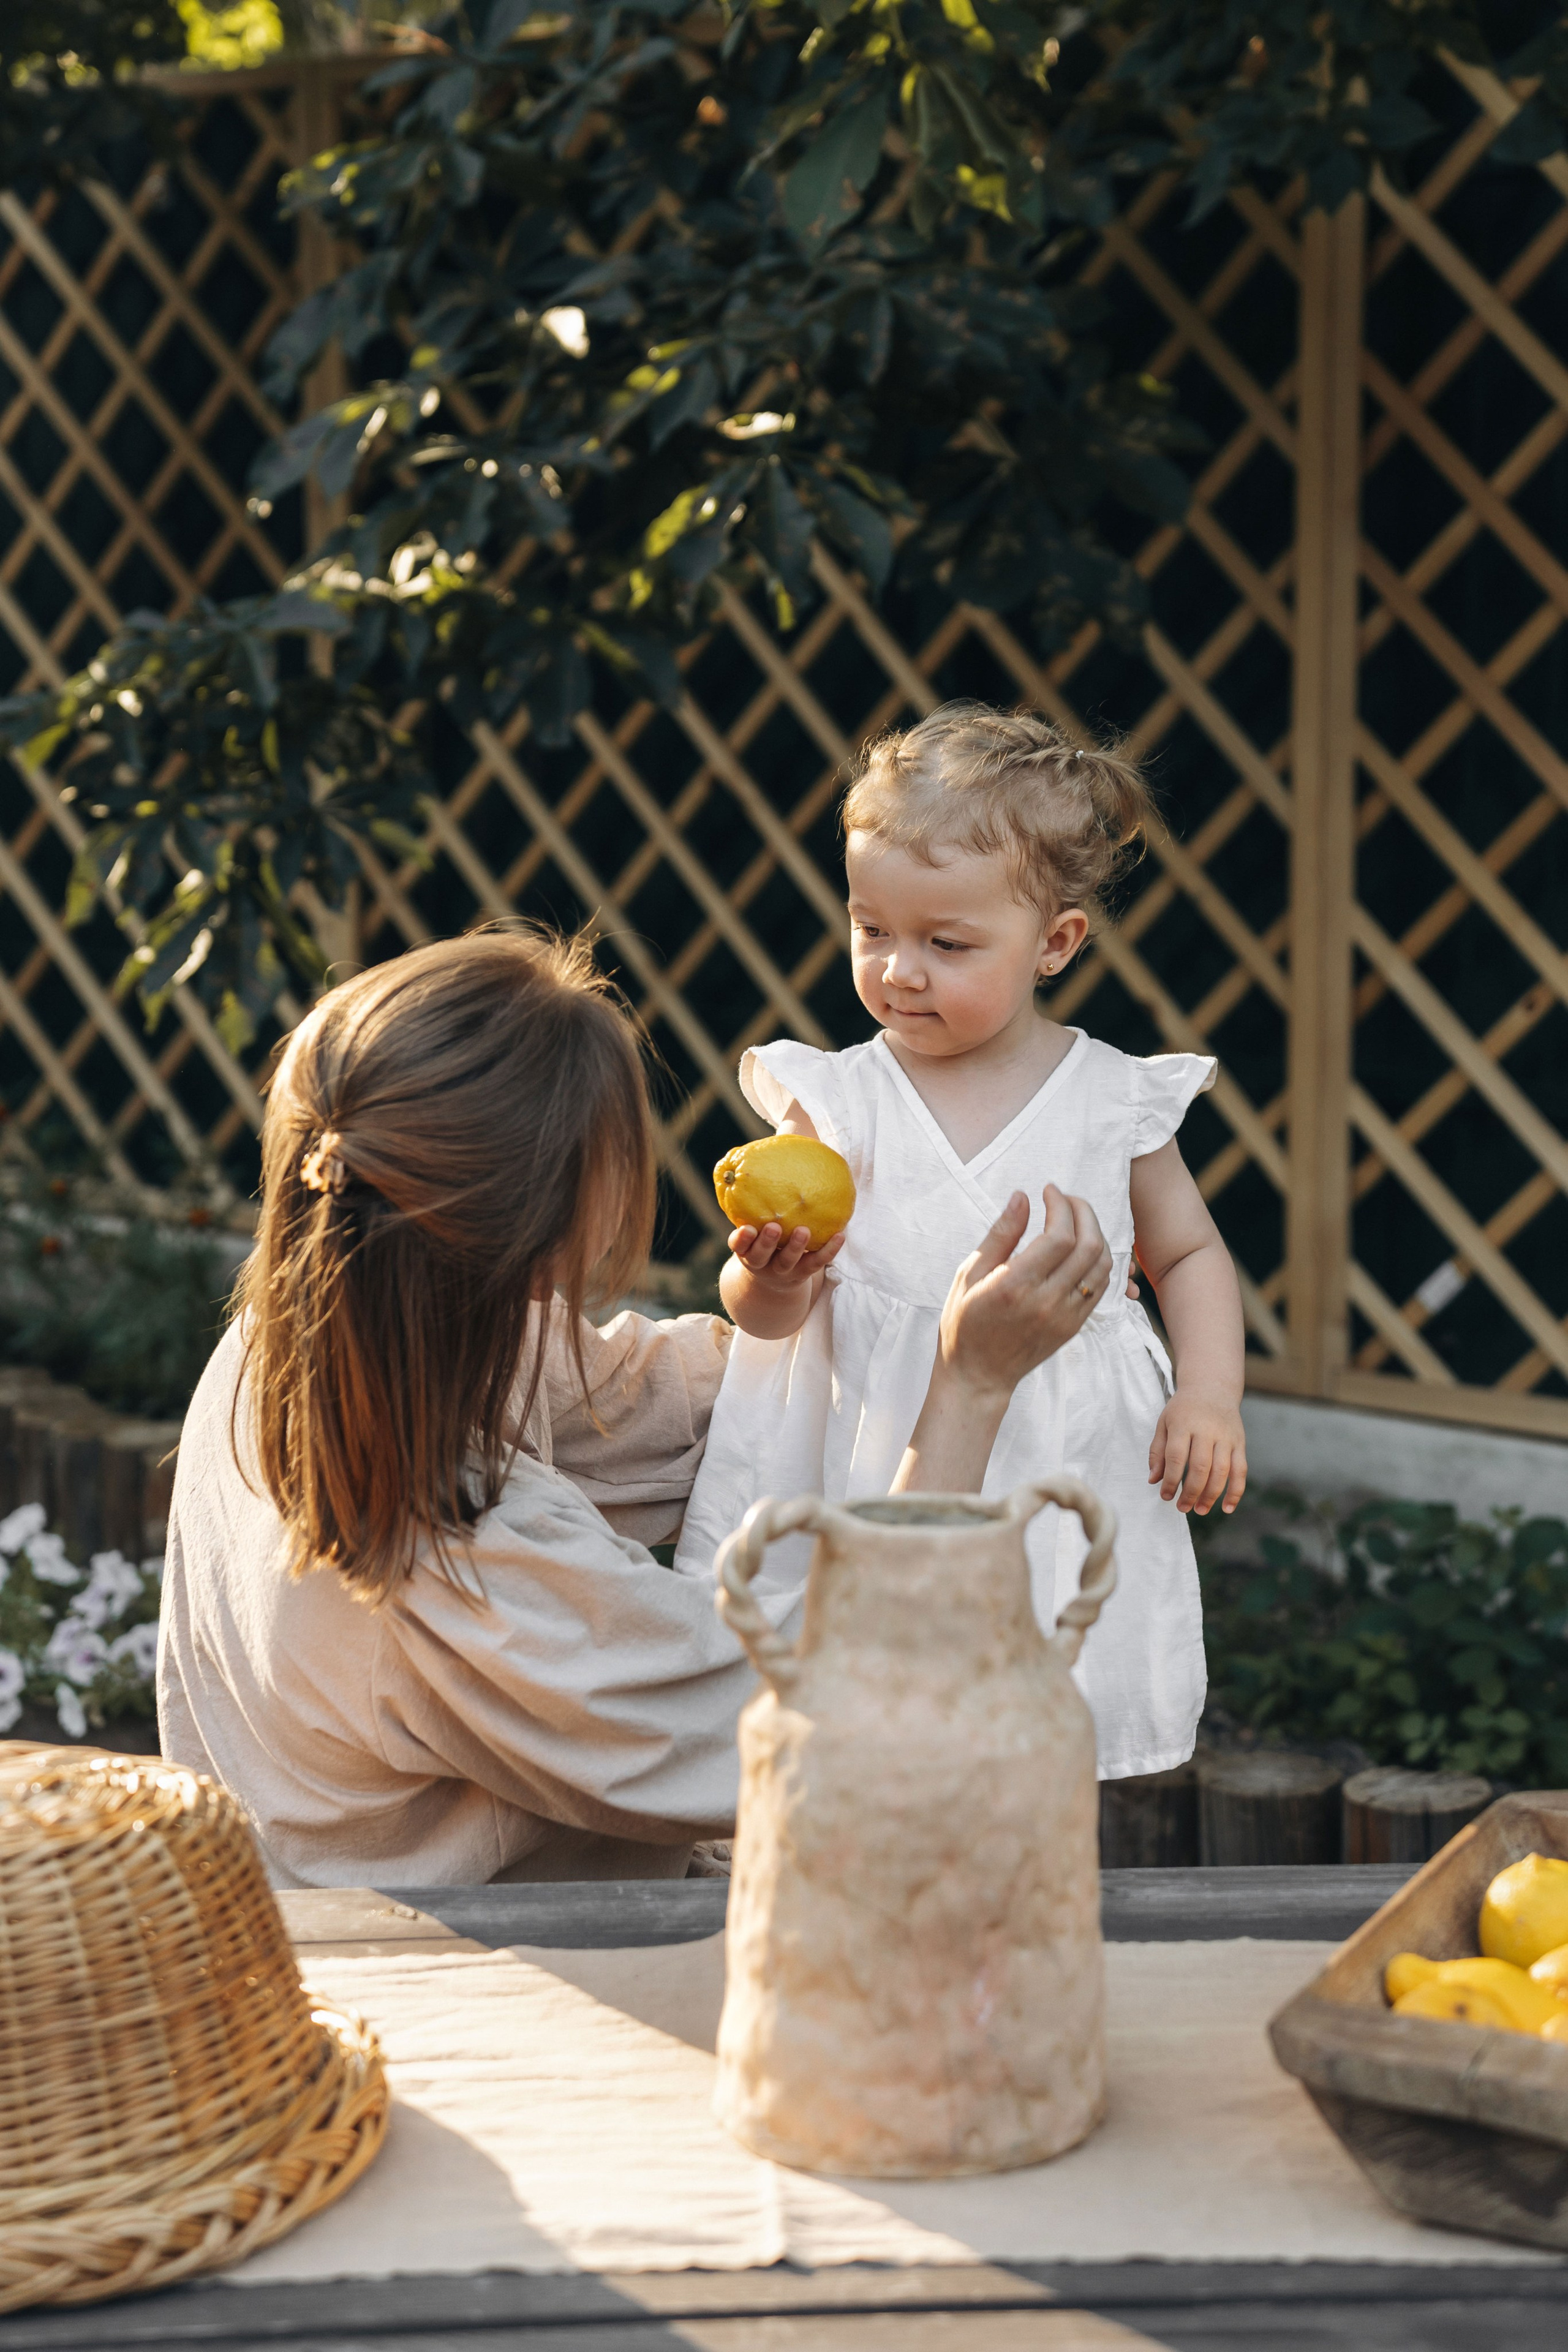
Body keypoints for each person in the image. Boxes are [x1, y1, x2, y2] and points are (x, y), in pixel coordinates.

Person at [157, 924, 1113, 1886]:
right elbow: (827, 1716)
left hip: (335, 1938)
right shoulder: (454, 1565)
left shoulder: (322, 1334)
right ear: (539, 1234)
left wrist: (820, 1321)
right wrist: (971, 1387)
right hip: (482, 1982)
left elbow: (636, 1400)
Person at [673, 704, 1246, 1782]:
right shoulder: (838, 1100)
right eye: (871, 929)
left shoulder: (1111, 1101)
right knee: (856, 1727)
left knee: (1031, 1716)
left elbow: (1190, 1257)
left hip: (1057, 1458)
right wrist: (767, 1279)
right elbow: (760, 1319)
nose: (898, 971)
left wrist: (1208, 1396)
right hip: (869, 1459)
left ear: (1055, 945)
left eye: (947, 944)